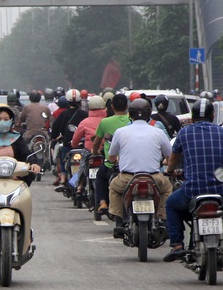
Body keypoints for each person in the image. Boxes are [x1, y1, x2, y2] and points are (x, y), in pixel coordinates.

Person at [163, 98, 223, 261]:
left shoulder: (184, 133)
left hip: (191, 191)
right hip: (221, 191)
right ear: (212, 116)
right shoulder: (222, 132)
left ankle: (177, 245)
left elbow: (173, 158)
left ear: (192, 117)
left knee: (170, 204)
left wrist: (169, 171)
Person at [107, 98, 174, 236]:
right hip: (153, 178)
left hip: (127, 178)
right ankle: (163, 219)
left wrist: (114, 160)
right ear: (149, 113)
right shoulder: (158, 132)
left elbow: (111, 156)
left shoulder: (120, 132)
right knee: (167, 189)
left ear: (130, 113)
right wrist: (167, 166)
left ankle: (119, 222)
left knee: (114, 187)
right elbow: (170, 156)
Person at [91, 93, 131, 213]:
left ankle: (103, 203)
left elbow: (96, 143)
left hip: (112, 164)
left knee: (100, 176)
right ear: (127, 106)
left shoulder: (105, 122)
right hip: (130, 163)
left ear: (112, 106)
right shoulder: (131, 121)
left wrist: (95, 152)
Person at [50, 89, 88, 186]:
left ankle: (63, 178)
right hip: (82, 145)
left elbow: (55, 128)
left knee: (62, 157)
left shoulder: (63, 114)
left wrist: (54, 137)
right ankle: (79, 181)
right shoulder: (85, 115)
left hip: (68, 145)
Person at [70, 95, 108, 191]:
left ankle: (78, 187)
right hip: (105, 152)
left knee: (82, 167)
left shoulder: (84, 122)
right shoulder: (108, 121)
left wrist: (74, 145)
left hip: (89, 151)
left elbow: (75, 139)